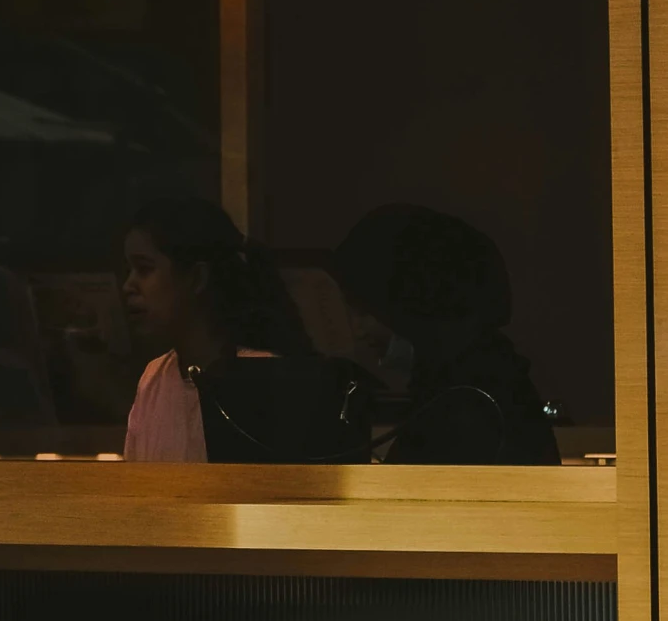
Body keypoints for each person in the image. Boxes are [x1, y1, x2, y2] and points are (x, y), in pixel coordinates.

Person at [333, 204, 560, 464]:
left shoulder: (467, 409)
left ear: (412, 304)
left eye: (364, 310)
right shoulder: (490, 384)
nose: (359, 330)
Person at [120, 197, 312, 461]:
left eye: (144, 269)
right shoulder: (154, 378)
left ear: (197, 278)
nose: (128, 286)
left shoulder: (263, 377)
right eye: (129, 270)